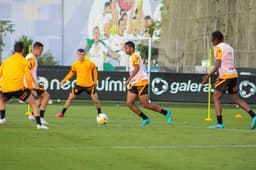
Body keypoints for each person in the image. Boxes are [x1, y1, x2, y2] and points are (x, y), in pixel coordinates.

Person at [201, 31, 256, 129]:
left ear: (216, 39)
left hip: (226, 76)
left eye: (212, 39)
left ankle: (219, 123)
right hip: (233, 74)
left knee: (216, 97)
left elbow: (218, 64)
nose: (211, 41)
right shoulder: (229, 47)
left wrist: (208, 76)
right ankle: (253, 116)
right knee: (235, 99)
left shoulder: (218, 48)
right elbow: (227, 62)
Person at [0, 42, 48, 129]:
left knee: (1, 99)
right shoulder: (24, 61)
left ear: (14, 50)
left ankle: (2, 118)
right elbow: (28, 76)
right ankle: (39, 124)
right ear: (23, 50)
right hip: (19, 88)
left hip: (6, 88)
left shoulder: (6, 61)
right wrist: (31, 89)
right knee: (33, 103)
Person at [123, 41, 171, 126]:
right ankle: (145, 118)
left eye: (126, 48)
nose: (125, 50)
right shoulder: (131, 57)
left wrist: (128, 80)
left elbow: (137, 68)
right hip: (135, 83)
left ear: (131, 48)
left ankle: (166, 112)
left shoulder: (135, 56)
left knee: (145, 104)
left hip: (142, 81)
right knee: (129, 103)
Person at [55, 49, 102, 117]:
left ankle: (100, 114)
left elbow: (94, 71)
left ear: (85, 55)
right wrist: (63, 81)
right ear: (77, 55)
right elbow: (71, 73)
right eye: (80, 54)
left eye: (83, 54)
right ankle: (62, 113)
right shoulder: (75, 64)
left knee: (96, 101)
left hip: (89, 86)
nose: (81, 56)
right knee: (70, 98)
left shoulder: (90, 63)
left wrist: (95, 81)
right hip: (79, 85)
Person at [26, 42, 50, 124]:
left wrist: (36, 77)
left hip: (30, 82)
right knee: (46, 95)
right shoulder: (31, 58)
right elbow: (27, 71)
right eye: (41, 50)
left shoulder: (32, 57)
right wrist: (34, 81)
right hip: (30, 84)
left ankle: (33, 114)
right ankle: (41, 117)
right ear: (36, 49)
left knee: (42, 97)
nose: (41, 52)